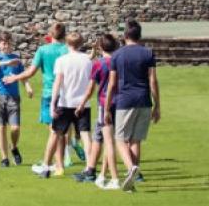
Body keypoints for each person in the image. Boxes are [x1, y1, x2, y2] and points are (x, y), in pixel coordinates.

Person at [5, 21, 69, 175]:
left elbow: (31, 72)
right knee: (59, 131)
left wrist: (15, 78)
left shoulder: (43, 50)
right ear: (65, 35)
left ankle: (53, 164)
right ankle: (58, 164)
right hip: (66, 94)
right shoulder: (68, 50)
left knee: (54, 130)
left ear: (50, 34)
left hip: (49, 93)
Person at [108, 20, 160, 192]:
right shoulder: (148, 53)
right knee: (135, 140)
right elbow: (153, 80)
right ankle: (132, 179)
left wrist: (107, 106)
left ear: (125, 36)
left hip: (125, 100)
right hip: (144, 100)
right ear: (139, 35)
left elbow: (112, 83)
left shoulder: (117, 54)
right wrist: (157, 105)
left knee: (119, 139)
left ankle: (131, 168)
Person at [43, 33, 93, 179]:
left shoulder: (62, 60)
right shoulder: (88, 60)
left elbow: (57, 83)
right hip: (83, 103)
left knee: (55, 134)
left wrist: (52, 104)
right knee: (85, 135)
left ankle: (46, 166)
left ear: (67, 44)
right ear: (81, 44)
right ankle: (90, 167)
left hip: (65, 102)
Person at [77, 33, 120, 189]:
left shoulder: (99, 64)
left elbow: (90, 89)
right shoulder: (119, 62)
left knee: (108, 141)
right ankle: (92, 170)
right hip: (120, 103)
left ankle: (111, 177)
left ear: (101, 47)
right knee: (99, 137)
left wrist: (81, 104)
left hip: (104, 104)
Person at [0, 31, 31, 167]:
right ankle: (4, 158)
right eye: (4, 43)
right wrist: (6, 62)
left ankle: (14, 147)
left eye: (8, 43)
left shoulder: (16, 59)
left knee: (15, 128)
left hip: (13, 97)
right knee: (1, 126)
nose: (6, 46)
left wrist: (28, 87)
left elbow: (23, 76)